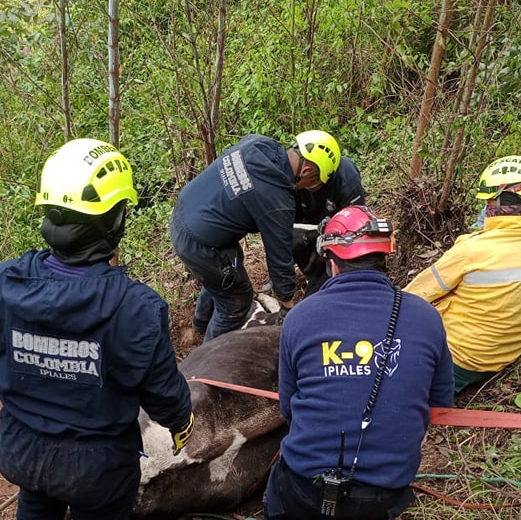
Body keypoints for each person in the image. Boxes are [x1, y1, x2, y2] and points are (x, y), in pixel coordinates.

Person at [0, 138, 194, 520]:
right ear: (115, 219)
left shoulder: (3, 283)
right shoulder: (136, 308)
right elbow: (160, 389)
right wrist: (180, 419)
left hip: (22, 451)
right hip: (98, 470)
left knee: (37, 502)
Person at [264, 206, 455, 520]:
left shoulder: (301, 318)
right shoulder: (425, 317)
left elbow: (288, 407)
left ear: (332, 263)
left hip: (306, 487)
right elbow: (440, 402)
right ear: (385, 258)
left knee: (276, 494)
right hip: (387, 492)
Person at [170, 130, 341, 341]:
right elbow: (279, 257)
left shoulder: (259, 144)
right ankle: (205, 358)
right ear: (306, 170)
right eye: (315, 182)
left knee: (225, 273)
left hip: (187, 212)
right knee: (235, 302)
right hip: (200, 245)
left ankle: (198, 327)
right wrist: (287, 304)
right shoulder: (277, 200)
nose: (311, 188)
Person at [404, 156, 521, 393]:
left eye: (489, 201)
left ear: (501, 202)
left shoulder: (473, 250)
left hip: (457, 359)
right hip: (500, 358)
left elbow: (413, 297)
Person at [292, 154, 367, 297]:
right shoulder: (293, 173)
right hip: (309, 227)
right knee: (292, 238)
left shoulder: (347, 180)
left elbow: (357, 223)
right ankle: (313, 275)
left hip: (339, 233)